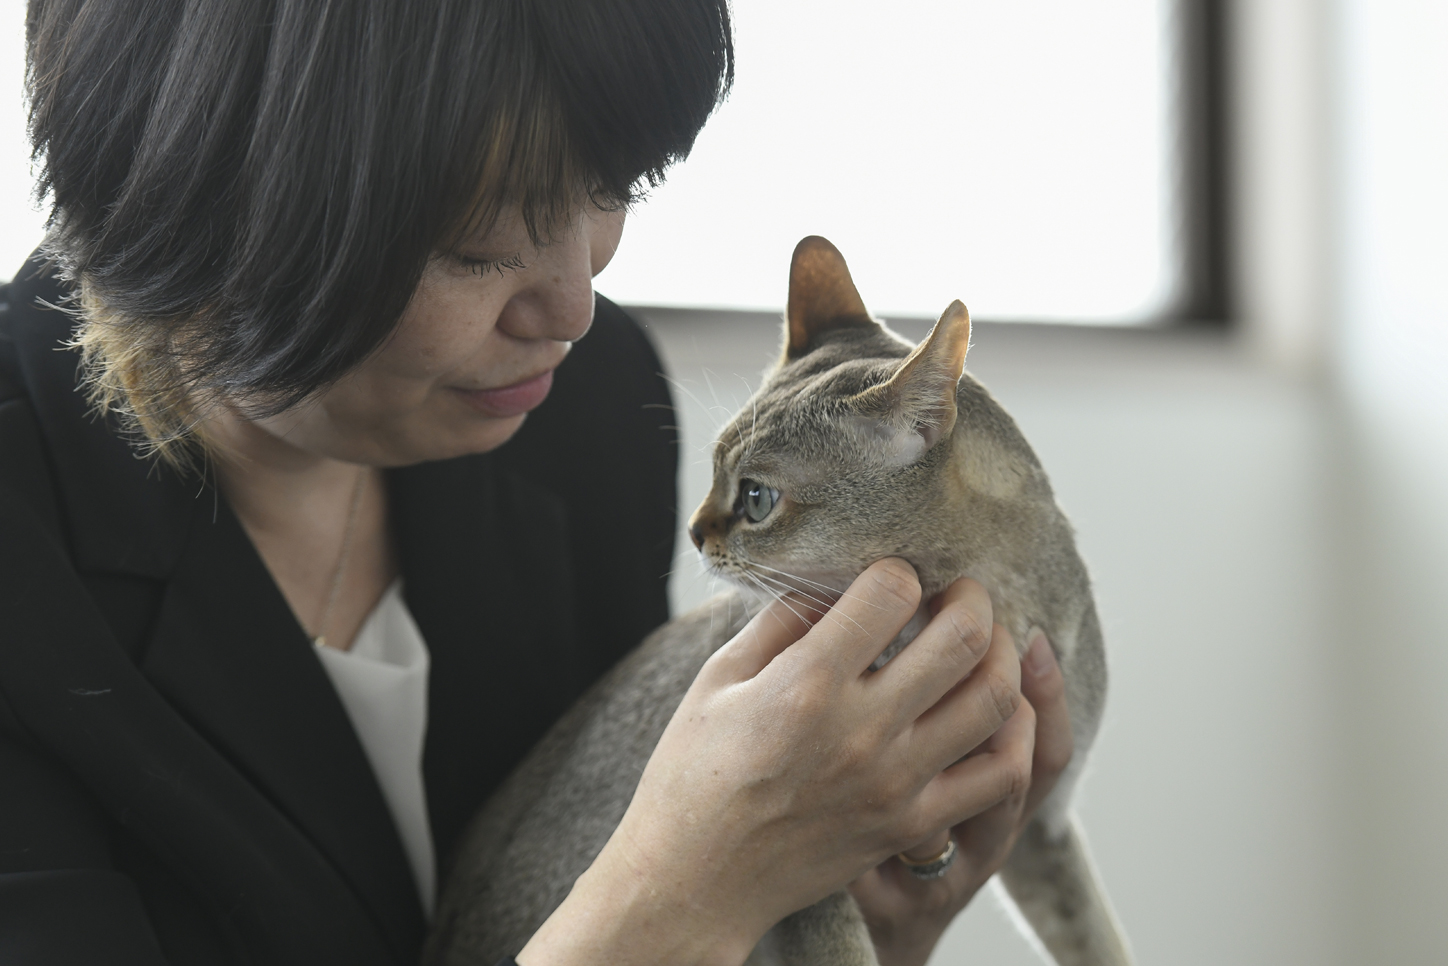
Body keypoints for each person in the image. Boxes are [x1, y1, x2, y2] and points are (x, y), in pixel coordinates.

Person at [0, 2, 1075, 965]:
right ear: (202, 198)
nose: (571, 306)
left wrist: (850, 917)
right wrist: (679, 901)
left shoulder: (582, 414)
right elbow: (671, 889)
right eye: (476, 247)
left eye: (612, 187)